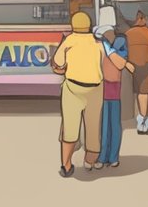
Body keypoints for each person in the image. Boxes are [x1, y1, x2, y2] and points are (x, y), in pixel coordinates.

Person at [52, 12, 104, 176]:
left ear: (73, 25)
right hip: (95, 89)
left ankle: (66, 166)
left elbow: (59, 64)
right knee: (93, 127)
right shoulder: (98, 42)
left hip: (73, 88)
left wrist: (60, 68)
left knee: (70, 127)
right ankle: (90, 161)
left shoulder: (69, 41)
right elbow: (102, 64)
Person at [95, 24, 130, 169]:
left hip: (112, 86)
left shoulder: (116, 44)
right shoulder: (107, 45)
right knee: (106, 124)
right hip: (104, 85)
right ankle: (105, 157)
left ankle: (110, 157)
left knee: (111, 123)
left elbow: (120, 63)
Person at [123, 11, 148, 134]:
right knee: (147, 93)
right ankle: (144, 120)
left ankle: (144, 120)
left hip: (133, 65)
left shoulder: (128, 33)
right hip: (144, 66)